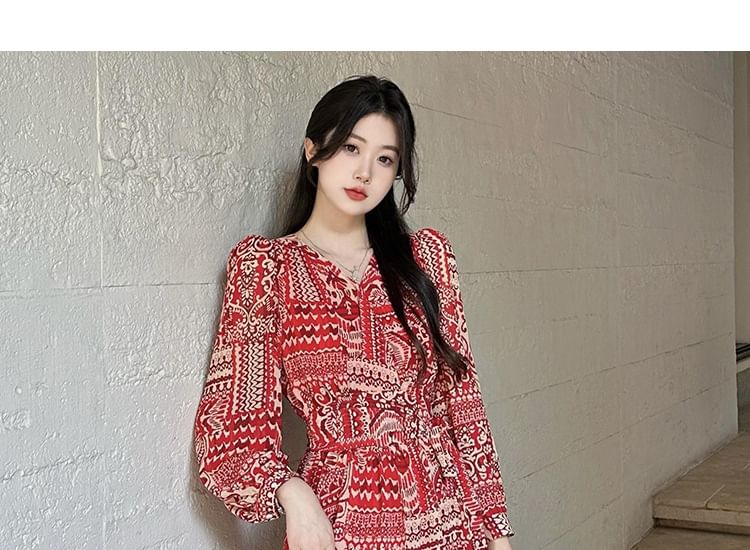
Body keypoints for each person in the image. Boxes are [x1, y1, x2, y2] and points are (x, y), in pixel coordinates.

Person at [193, 74, 515, 550]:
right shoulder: (266, 269)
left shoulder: (426, 260)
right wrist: (293, 493)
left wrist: (496, 533)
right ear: (312, 150)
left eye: (385, 159)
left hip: (445, 518)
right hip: (339, 521)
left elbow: (463, 407)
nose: (365, 172)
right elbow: (233, 423)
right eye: (350, 148)